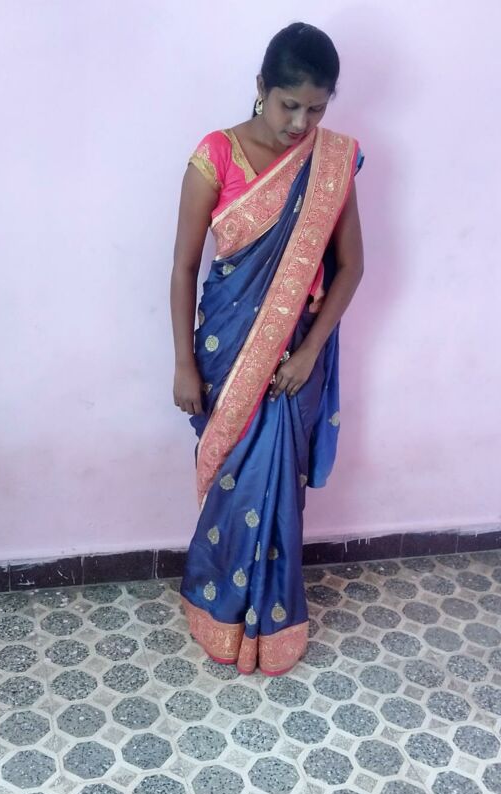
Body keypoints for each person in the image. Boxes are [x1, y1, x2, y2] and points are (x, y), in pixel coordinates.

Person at [170, 22, 364, 676]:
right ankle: (218, 611)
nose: (300, 123)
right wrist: (183, 361)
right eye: (289, 105)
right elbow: (184, 268)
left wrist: (308, 355)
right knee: (233, 485)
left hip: (293, 361)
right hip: (227, 351)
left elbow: (352, 266)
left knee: (276, 489)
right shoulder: (215, 156)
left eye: (316, 109)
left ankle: (274, 626)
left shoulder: (331, 162)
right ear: (261, 87)